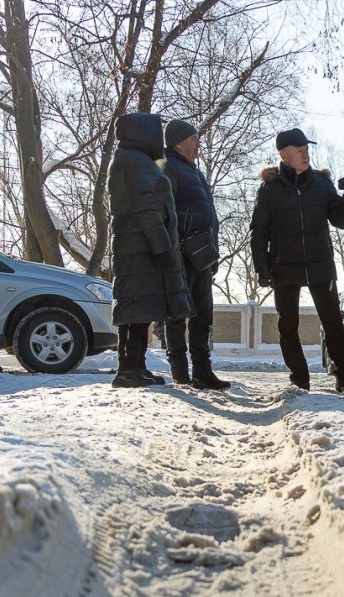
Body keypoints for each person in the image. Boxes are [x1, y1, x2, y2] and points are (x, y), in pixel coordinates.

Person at [249, 127, 344, 394]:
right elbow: (259, 231)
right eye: (299, 151)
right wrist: (262, 268)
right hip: (284, 267)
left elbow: (341, 221)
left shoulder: (321, 183)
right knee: (288, 324)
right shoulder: (270, 189)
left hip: (320, 265)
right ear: (283, 154)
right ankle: (300, 378)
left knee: (333, 322)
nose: (305, 155)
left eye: (307, 150)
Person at [107, 111, 193, 388]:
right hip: (139, 246)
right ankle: (128, 369)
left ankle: (136, 366)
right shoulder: (134, 161)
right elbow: (144, 206)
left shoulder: (135, 160)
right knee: (135, 306)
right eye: (156, 132)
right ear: (143, 133)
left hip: (138, 245)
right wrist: (161, 245)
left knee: (141, 307)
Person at [160, 118, 229, 389]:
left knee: (203, 315)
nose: (197, 144)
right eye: (193, 140)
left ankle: (202, 370)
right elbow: (165, 210)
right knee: (177, 313)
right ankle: (180, 372)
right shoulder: (167, 166)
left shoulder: (195, 171)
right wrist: (183, 239)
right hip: (181, 255)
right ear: (178, 142)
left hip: (203, 255)